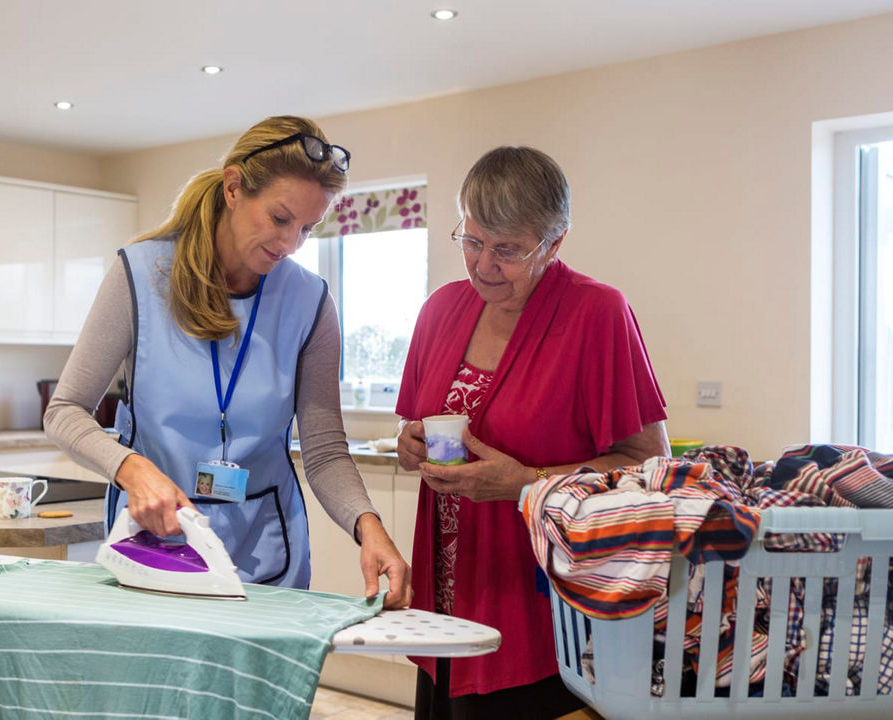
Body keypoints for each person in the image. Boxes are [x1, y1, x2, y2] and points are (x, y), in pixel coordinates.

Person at [45, 115, 410, 607]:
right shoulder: (140, 276)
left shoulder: (310, 302)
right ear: (234, 187)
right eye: (280, 219)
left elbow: (323, 450)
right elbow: (64, 410)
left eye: (308, 229)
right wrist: (132, 469)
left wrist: (369, 527)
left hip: (269, 558)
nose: (290, 245)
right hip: (156, 545)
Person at [395, 146, 669, 718]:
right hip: (446, 599)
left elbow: (649, 468)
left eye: (508, 250)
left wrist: (526, 481)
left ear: (555, 242)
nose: (483, 265)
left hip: (540, 608)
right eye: (471, 241)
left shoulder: (597, 314)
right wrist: (410, 447)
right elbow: (411, 434)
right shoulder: (440, 310)